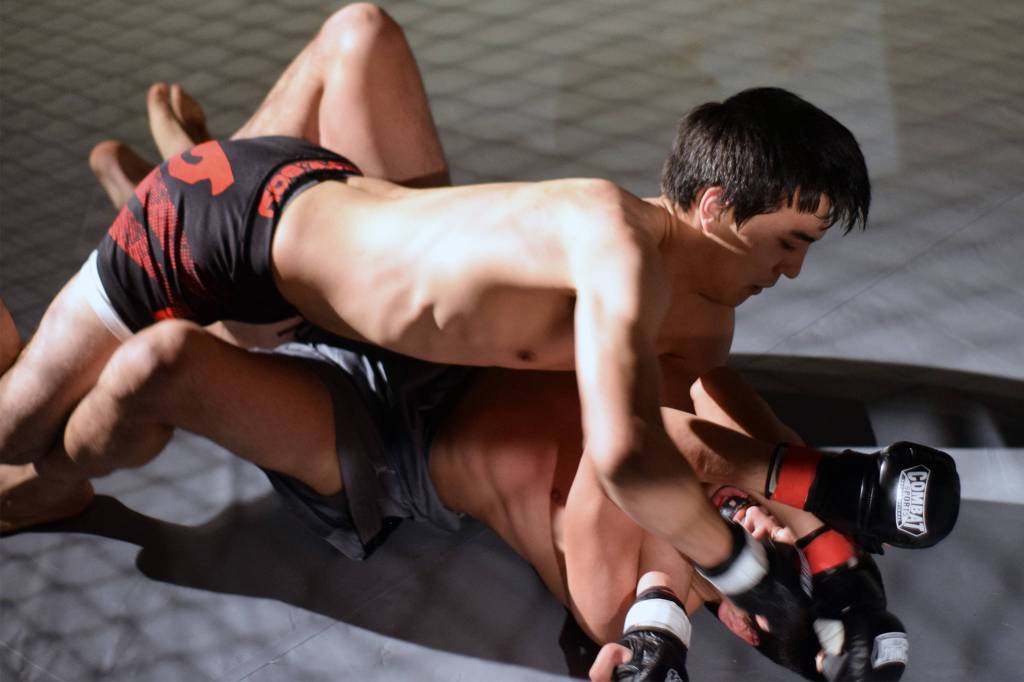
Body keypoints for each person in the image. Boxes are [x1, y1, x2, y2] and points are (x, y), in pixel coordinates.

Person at [0, 2, 956, 650]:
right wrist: (753, 569)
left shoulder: (694, 312)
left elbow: (712, 417)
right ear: (712, 205)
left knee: (360, 31)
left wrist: (825, 517)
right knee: (16, 425)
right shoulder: (611, 240)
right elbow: (637, 456)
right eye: (786, 242)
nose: (793, 273)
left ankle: (210, 177)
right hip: (220, 237)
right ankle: (141, 286)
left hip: (304, 206)